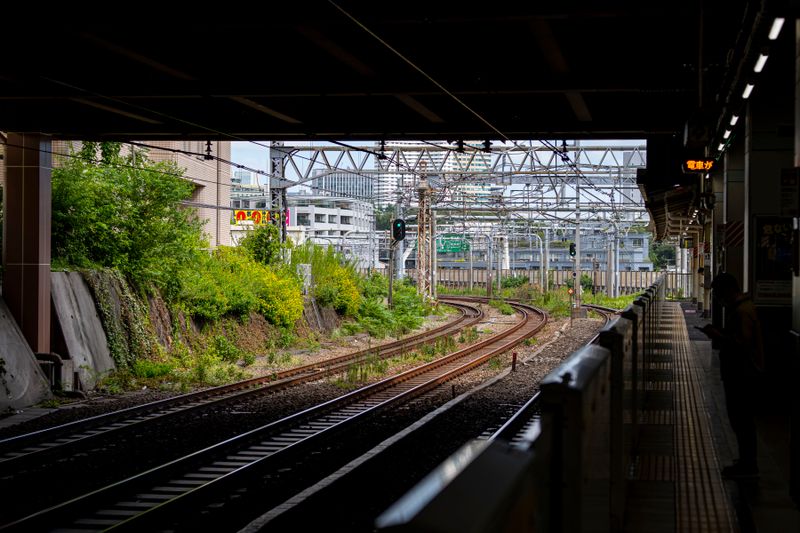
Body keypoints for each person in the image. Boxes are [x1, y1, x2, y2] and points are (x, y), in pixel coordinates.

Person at [697, 271, 764, 480]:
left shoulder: (742, 311)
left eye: (717, 293)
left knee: (741, 419)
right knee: (741, 420)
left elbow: (741, 344)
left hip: (743, 373)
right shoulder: (744, 308)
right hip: (742, 372)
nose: (716, 298)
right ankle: (746, 461)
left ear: (728, 291)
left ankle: (748, 465)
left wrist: (717, 335)